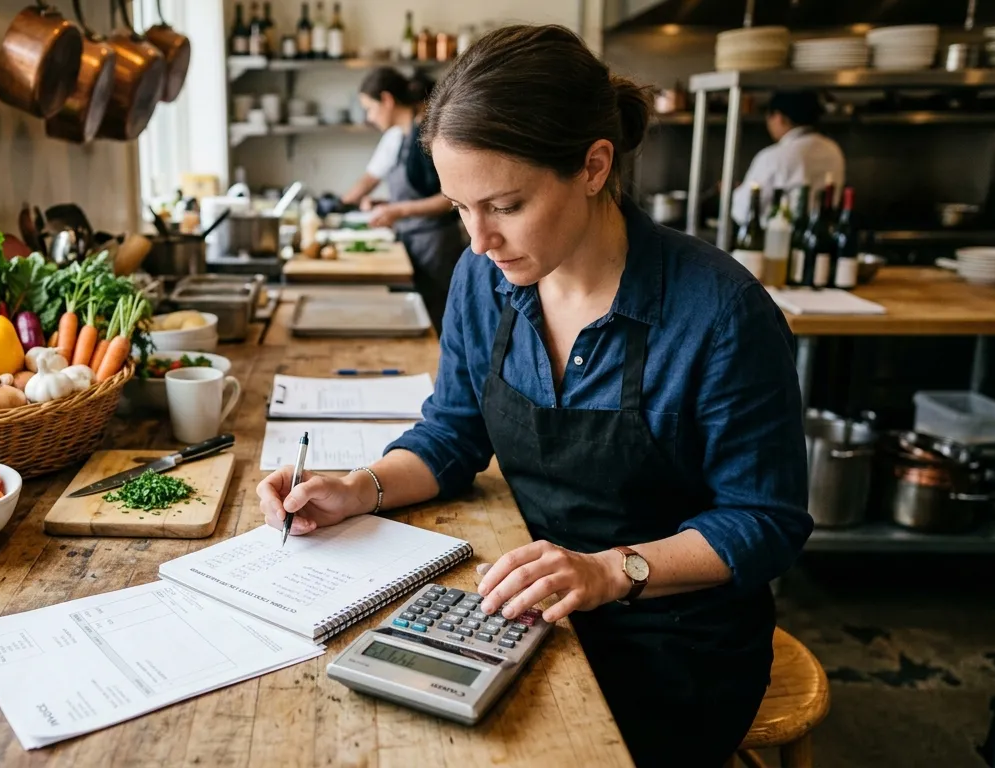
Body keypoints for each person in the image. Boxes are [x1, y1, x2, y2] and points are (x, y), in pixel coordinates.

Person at [257, 25, 811, 768]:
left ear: (592, 165)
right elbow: (453, 433)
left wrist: (610, 570)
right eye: (458, 207)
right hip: (520, 607)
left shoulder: (719, 313)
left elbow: (764, 519)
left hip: (673, 643)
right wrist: (362, 487)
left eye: (505, 206)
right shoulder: (484, 283)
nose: (479, 239)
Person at [347, 67, 469, 332]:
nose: (369, 117)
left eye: (370, 108)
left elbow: (451, 198)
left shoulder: (427, 135)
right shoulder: (403, 135)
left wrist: (399, 210)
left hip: (436, 244)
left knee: (441, 324)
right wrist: (388, 207)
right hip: (413, 240)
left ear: (387, 100)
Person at [731, 90, 845, 225]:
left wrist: (736, 192)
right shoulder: (833, 150)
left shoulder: (772, 156)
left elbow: (744, 212)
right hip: (822, 236)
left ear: (779, 117)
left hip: (776, 239)